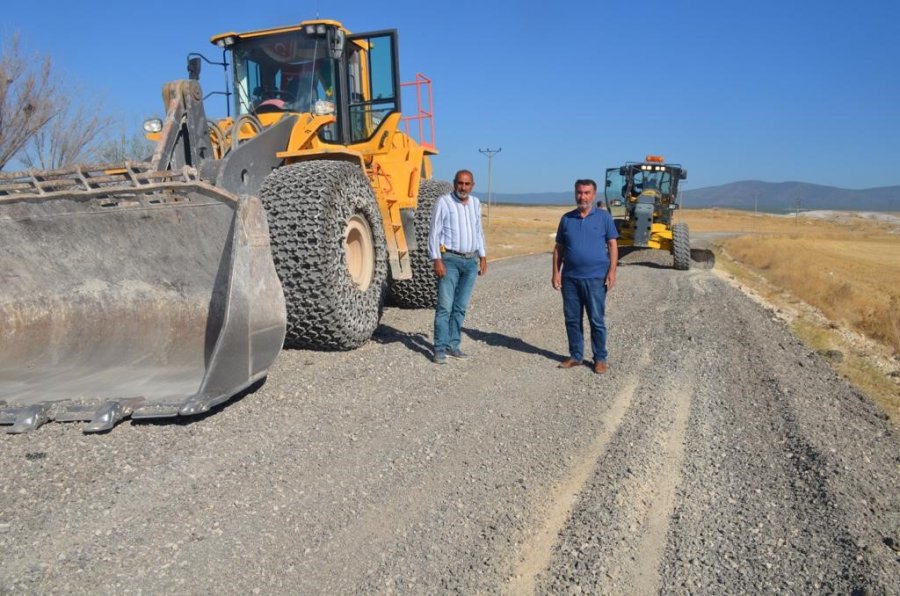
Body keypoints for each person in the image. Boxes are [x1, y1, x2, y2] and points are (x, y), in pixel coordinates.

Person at [552, 179, 618, 373]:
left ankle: (600, 358)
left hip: (596, 278)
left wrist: (612, 271)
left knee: (596, 319)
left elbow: (613, 245)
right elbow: (559, 249)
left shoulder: (604, 218)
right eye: (580, 192)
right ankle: (576, 356)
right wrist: (556, 273)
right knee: (572, 319)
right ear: (575, 194)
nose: (583, 196)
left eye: (587, 193)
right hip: (570, 278)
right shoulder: (566, 219)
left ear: (594, 194)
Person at [427, 170, 488, 364]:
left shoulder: (476, 204)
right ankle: (439, 349)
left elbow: (478, 232)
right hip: (450, 260)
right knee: (445, 306)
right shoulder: (444, 202)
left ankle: (453, 345)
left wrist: (483, 256)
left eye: (467, 184)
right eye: (460, 183)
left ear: (472, 185)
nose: (463, 187)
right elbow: (434, 233)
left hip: (470, 262)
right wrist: (437, 259)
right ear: (454, 183)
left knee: (460, 307)